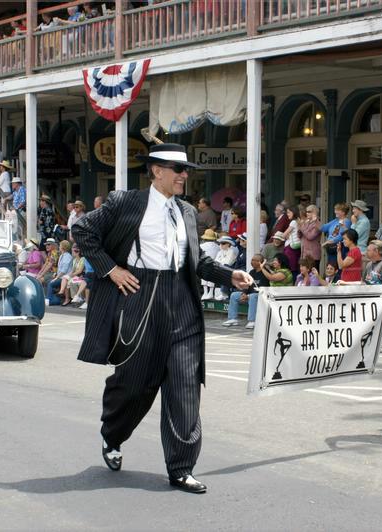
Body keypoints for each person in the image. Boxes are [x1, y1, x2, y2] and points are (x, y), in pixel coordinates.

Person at [71, 143, 252, 494]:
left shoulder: (185, 211)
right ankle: (113, 434)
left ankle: (181, 467)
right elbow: (83, 232)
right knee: (135, 384)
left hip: (182, 299)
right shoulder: (125, 202)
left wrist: (231, 276)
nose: (184, 175)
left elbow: (196, 260)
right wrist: (111, 270)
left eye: (186, 170)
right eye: (178, 169)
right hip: (141, 294)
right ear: (156, 171)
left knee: (185, 384)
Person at [223, 254, 269, 329]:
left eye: (254, 260)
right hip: (250, 295)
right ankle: (233, 319)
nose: (252, 262)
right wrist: (244, 293)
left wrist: (247, 296)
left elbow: (262, 289)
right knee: (234, 295)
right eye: (252, 260)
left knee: (253, 296)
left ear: (260, 262)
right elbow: (247, 285)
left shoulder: (265, 273)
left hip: (261, 296)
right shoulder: (252, 272)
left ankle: (252, 321)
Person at [282, 205, 302, 276]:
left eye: (289, 212)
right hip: (298, 246)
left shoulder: (293, 222)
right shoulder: (299, 221)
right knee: (295, 267)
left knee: (291, 268)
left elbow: (284, 235)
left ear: (293, 212)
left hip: (291, 248)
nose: (287, 214)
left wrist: (287, 236)